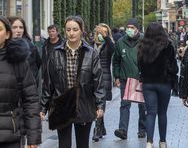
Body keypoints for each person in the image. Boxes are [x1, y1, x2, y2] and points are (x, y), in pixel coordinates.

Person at [40, 16, 104, 148]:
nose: (71, 33)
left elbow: (98, 81)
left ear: (82, 30)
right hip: (62, 105)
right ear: (64, 31)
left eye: (75, 29)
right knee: (64, 144)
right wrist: (43, 107)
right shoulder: (55, 53)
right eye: (68, 29)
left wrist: (100, 105)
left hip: (84, 103)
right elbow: (48, 83)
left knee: (82, 144)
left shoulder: (91, 54)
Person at [0, 16, 41, 148]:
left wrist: (33, 137)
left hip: (10, 135)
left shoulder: (18, 61)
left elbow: (30, 100)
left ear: (7, 34)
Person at [137, 23, 178, 148]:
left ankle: (149, 142)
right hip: (164, 83)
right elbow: (174, 67)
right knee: (162, 113)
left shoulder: (142, 46)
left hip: (148, 83)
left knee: (150, 113)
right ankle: (163, 141)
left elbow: (139, 65)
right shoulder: (168, 46)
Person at [112, 18, 146, 140]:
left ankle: (142, 129)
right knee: (124, 104)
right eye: (128, 27)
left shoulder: (144, 41)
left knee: (142, 105)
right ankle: (123, 130)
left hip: (141, 78)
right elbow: (116, 61)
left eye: (132, 27)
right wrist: (116, 76)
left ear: (137, 29)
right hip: (125, 79)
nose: (129, 29)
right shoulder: (121, 42)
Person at [92, 24, 115, 141]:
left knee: (101, 104)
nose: (102, 34)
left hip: (104, 76)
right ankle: (102, 128)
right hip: (92, 77)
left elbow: (113, 49)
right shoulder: (92, 44)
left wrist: (106, 37)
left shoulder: (109, 43)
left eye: (105, 32)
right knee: (94, 104)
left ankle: (96, 130)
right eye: (100, 32)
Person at [8, 17, 42, 86]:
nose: (18, 30)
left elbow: (36, 65)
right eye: (14, 27)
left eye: (21, 27)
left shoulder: (30, 47)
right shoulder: (3, 46)